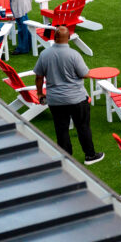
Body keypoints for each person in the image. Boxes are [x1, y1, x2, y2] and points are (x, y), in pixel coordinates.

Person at [33, 26, 104, 165]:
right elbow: (85, 74)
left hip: (55, 100)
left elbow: (39, 77)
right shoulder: (74, 55)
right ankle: (90, 156)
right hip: (76, 99)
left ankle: (66, 159)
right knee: (83, 127)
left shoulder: (44, 54)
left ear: (54, 38)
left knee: (61, 129)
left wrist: (40, 93)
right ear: (69, 39)